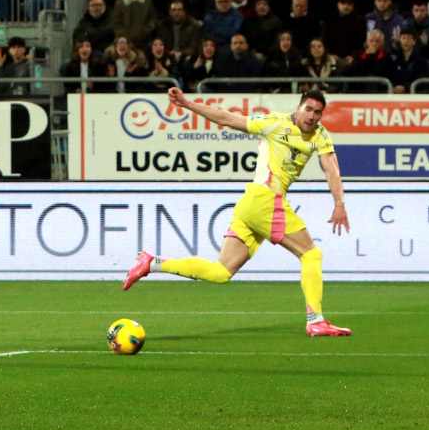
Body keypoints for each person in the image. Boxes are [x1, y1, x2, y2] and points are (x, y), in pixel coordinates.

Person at [123, 88, 352, 338]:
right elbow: (226, 118)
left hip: (251, 204)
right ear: (298, 108)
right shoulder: (274, 123)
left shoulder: (320, 135)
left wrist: (339, 202)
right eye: (308, 109)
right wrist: (188, 104)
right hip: (265, 198)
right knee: (310, 254)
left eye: (318, 112)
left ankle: (151, 263)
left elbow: (331, 168)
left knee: (222, 272)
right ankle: (315, 320)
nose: (312, 116)